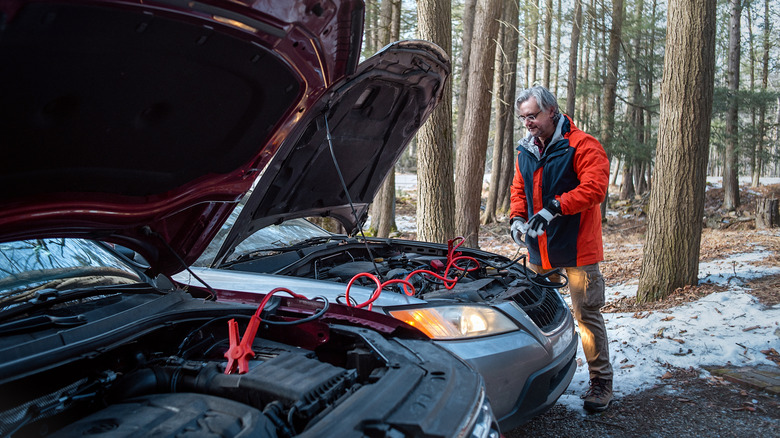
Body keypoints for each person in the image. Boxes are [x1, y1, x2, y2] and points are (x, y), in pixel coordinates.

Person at [509, 85, 613, 413]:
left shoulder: (583, 144)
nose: (528, 122)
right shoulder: (526, 149)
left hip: (578, 248)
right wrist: (516, 218)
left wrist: (555, 206)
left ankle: (601, 382)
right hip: (540, 250)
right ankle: (543, 374)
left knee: (586, 316)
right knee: (534, 313)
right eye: (523, 117)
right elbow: (519, 188)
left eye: (534, 115)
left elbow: (595, 188)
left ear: (552, 111)